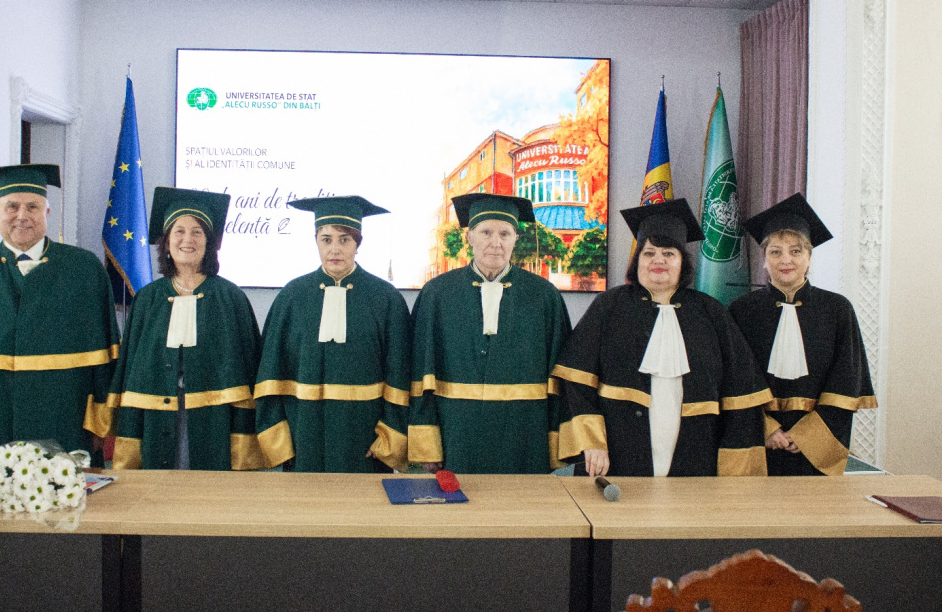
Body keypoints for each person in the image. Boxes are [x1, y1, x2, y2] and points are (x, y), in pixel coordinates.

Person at [554, 199, 770, 477]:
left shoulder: (711, 312)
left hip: (696, 456)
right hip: (617, 453)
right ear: (637, 260)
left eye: (669, 253)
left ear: (682, 262)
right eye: (649, 253)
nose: (658, 260)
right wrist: (592, 442)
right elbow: (576, 381)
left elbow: (741, 393)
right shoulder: (609, 305)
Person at [0, 164, 119, 464]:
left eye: (33, 207)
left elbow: (104, 362)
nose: (22, 216)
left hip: (65, 417)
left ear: (47, 212)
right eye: (12, 206)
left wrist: (100, 422)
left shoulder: (85, 269)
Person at [409, 193, 571, 474]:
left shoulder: (544, 296)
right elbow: (420, 372)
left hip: (524, 434)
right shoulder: (437, 293)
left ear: (515, 239)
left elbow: (560, 378)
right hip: (455, 432)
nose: (496, 243)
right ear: (469, 237)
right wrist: (426, 443)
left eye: (505, 234)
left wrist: (554, 440)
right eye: (486, 232)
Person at [110, 187, 262, 470]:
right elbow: (131, 371)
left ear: (209, 242)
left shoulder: (231, 298)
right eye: (179, 231)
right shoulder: (148, 299)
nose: (187, 239)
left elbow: (249, 372)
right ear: (166, 241)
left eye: (197, 232)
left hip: (215, 420)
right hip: (156, 418)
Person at [254, 195, 410, 473]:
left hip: (365, 438)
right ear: (316, 241)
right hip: (303, 435)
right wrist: (280, 440)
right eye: (326, 239)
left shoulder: (386, 299)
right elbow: (270, 373)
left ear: (358, 243)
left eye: (344, 239)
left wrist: (388, 438)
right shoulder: (292, 296)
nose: (335, 248)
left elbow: (400, 373)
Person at [729, 193, 877, 476]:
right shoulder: (741, 311)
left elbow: (845, 380)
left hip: (817, 444)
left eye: (796, 251)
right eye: (775, 252)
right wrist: (766, 428)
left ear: (809, 258)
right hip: (757, 441)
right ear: (764, 259)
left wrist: (809, 435)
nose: (786, 260)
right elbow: (734, 380)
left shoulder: (837, 309)